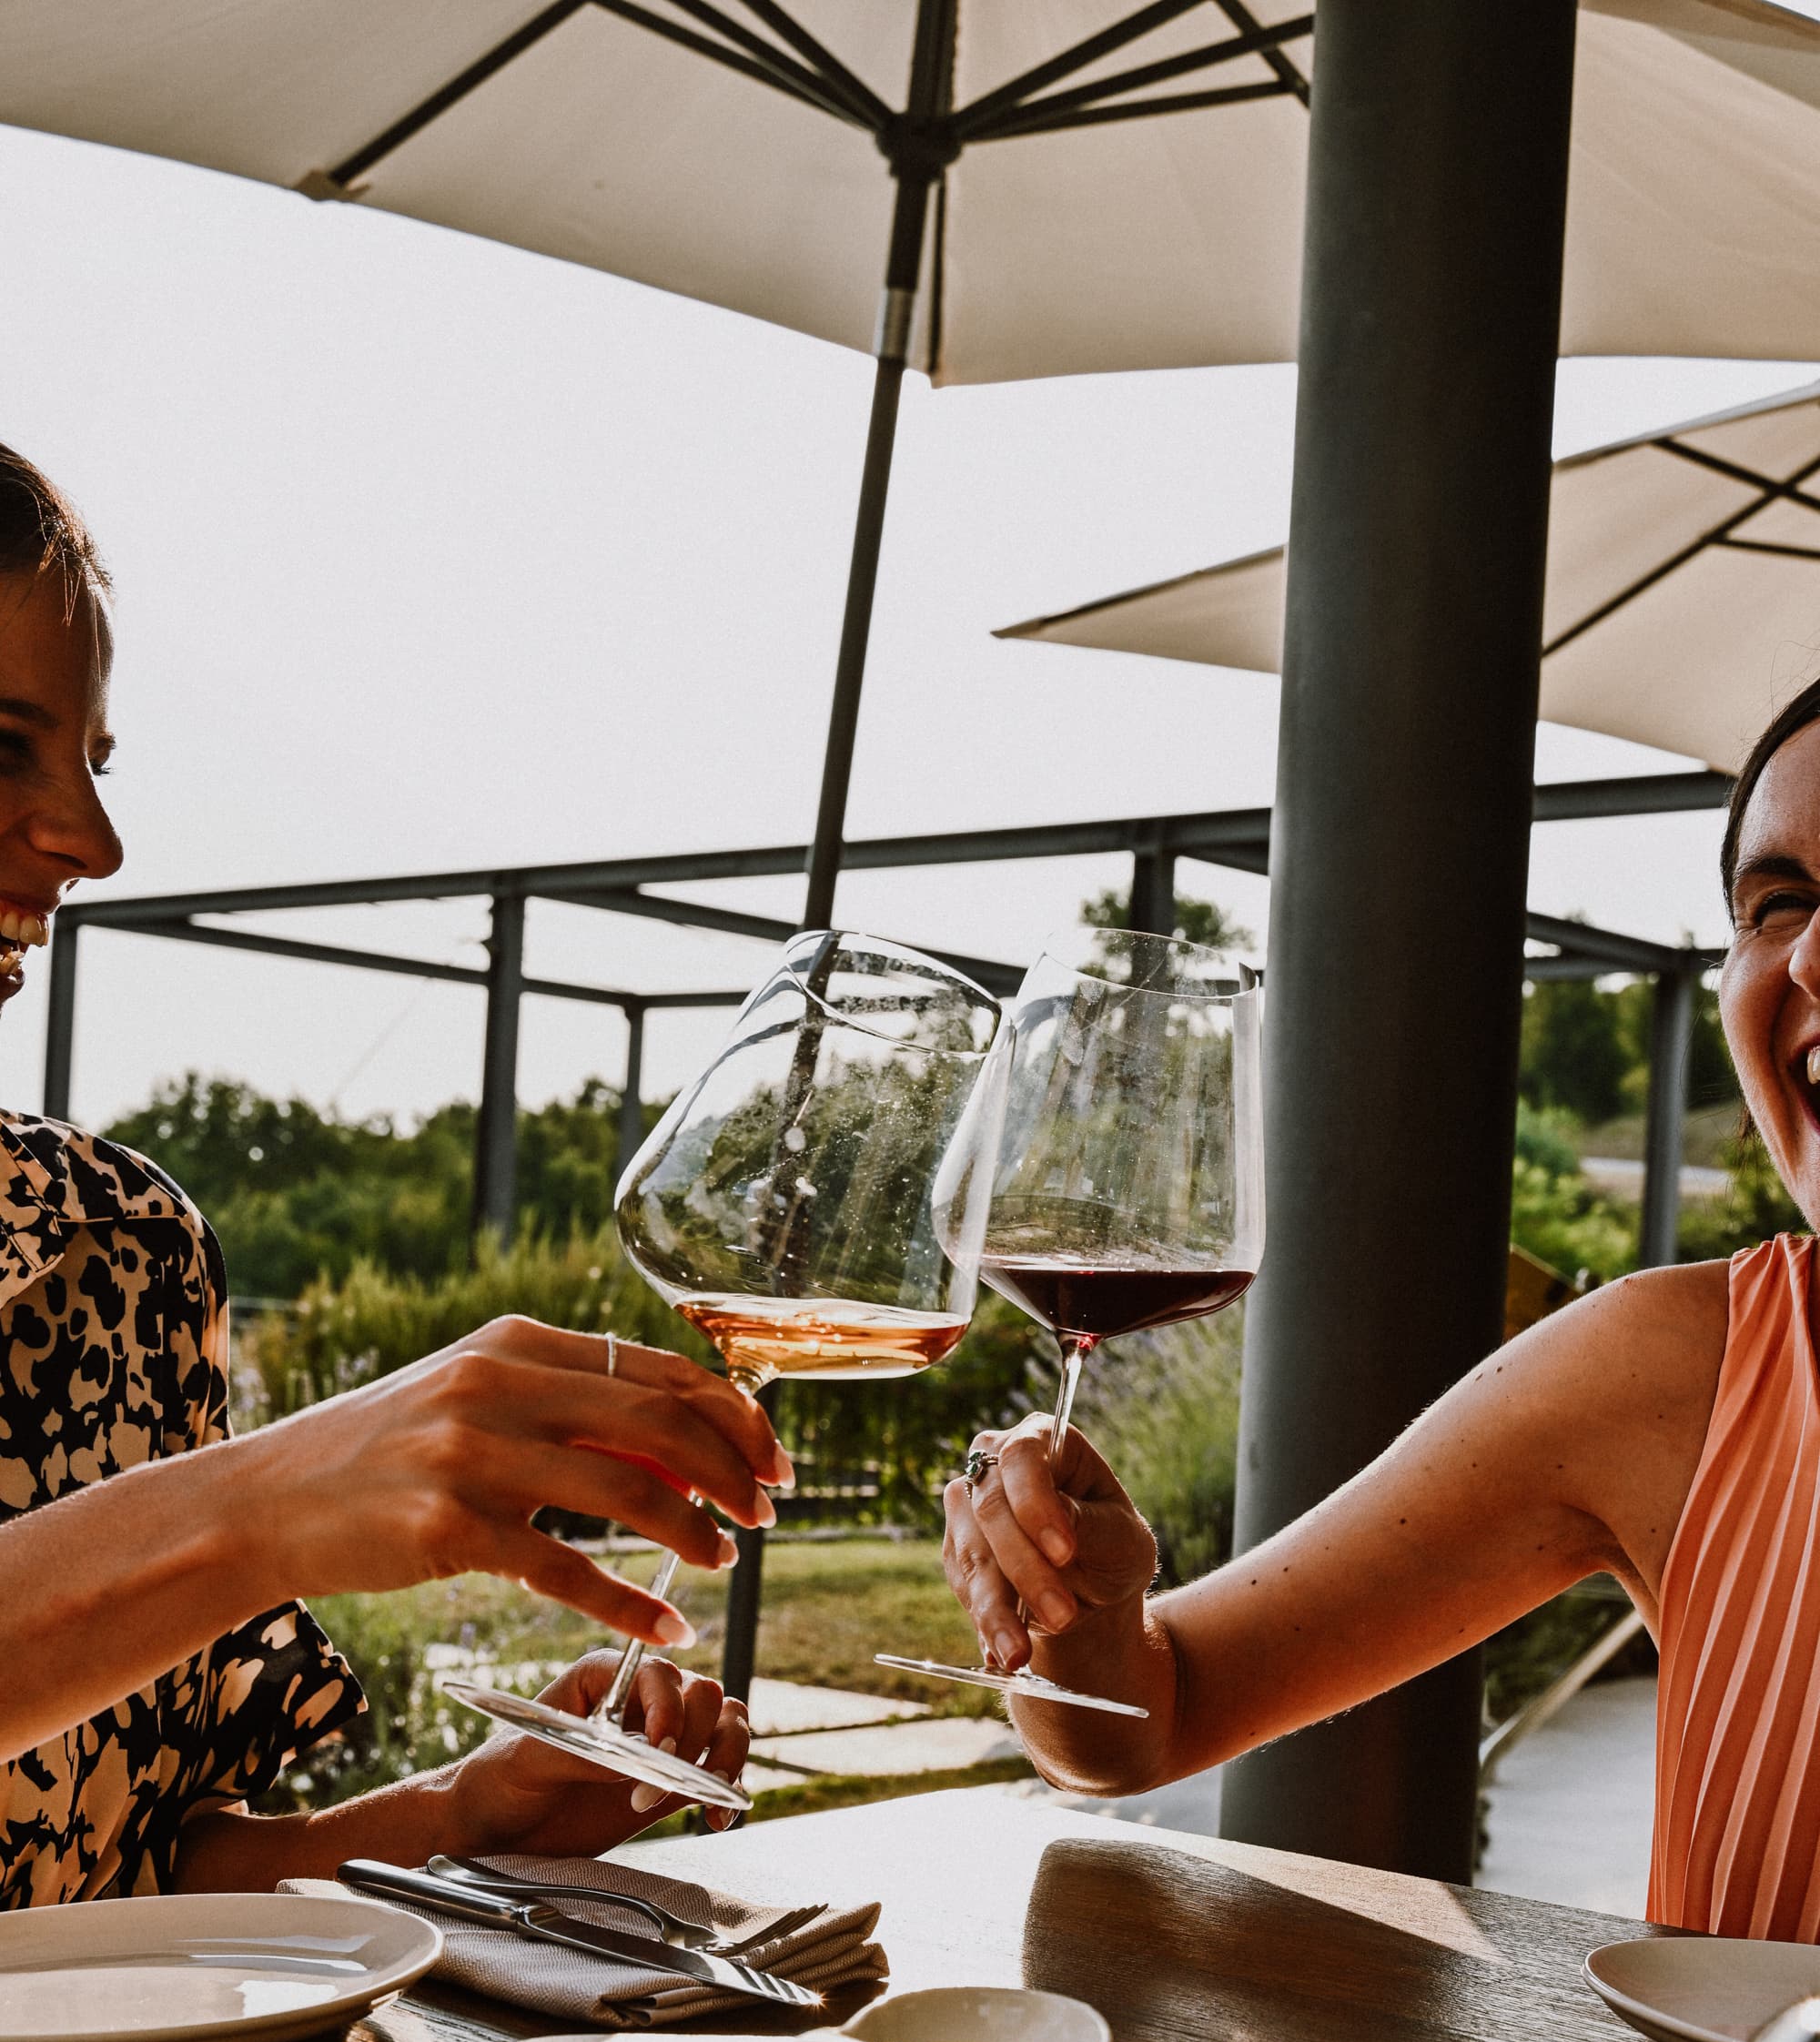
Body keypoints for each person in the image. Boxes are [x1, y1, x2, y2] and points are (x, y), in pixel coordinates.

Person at [0, 442, 786, 1901]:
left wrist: (456, 1821)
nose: (92, 842)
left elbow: (137, 1875)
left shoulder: (124, 1250)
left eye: (95, 764)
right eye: (3, 745)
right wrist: (259, 1509)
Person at [944, 671, 1820, 1946]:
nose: (1811, 956)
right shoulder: (1684, 1371)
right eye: (1779, 904)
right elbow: (1145, 1724)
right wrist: (1081, 1610)